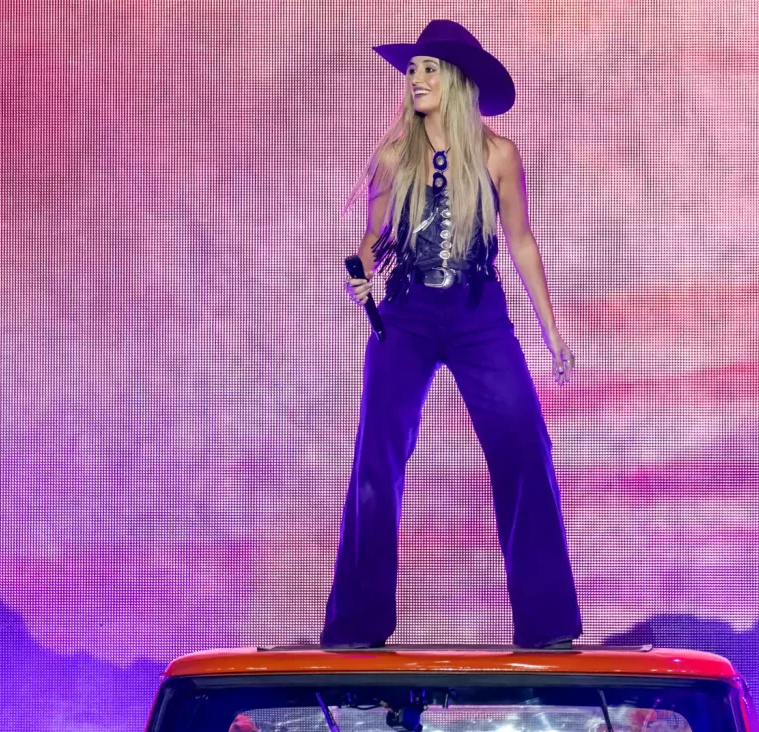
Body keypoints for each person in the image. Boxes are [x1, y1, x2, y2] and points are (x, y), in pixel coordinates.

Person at [321, 19, 582, 650]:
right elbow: (378, 238)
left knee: (524, 448)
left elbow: (520, 241)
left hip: (478, 315)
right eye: (412, 70)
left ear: (459, 80)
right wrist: (361, 269)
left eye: (429, 68)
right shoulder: (392, 156)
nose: (416, 79)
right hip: (406, 317)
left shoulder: (498, 155)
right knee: (376, 460)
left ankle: (546, 627)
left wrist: (553, 334)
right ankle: (358, 628)